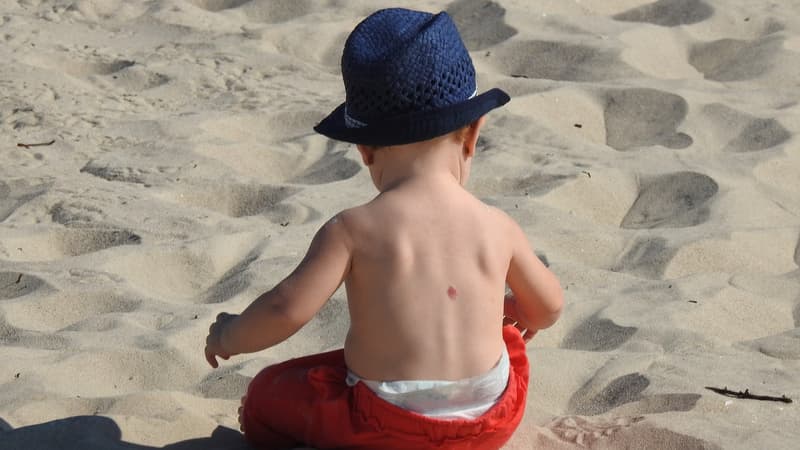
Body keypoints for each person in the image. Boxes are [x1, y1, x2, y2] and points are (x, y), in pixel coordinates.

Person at [204, 7, 563, 449]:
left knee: (269, 390)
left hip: (384, 428)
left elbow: (285, 309)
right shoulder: (499, 226)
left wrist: (229, 335)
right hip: (490, 423)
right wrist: (516, 309)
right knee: (506, 339)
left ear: (365, 150)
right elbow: (548, 309)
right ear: (473, 134)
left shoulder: (352, 230)